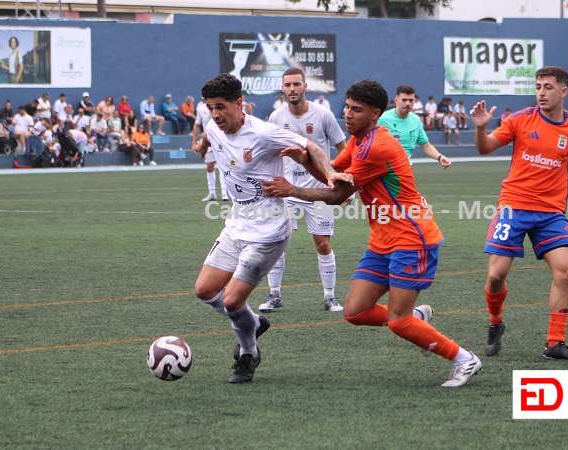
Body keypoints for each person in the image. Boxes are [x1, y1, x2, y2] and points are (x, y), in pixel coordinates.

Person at [261, 79, 482, 388]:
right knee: (355, 311)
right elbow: (333, 176)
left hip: (411, 237)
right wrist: (306, 159)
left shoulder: (376, 147)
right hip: (383, 239)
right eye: (347, 107)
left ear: (376, 114)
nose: (347, 114)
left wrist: (291, 189)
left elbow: (338, 196)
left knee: (398, 321)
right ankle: (418, 320)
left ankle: (464, 359)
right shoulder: (359, 140)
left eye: (356, 110)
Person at [191, 73, 346, 384]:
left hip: (269, 231)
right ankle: (254, 323)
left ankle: (248, 353)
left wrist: (331, 174)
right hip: (236, 225)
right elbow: (208, 136)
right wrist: (200, 146)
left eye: (221, 106)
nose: (216, 114)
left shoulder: (263, 133)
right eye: (210, 107)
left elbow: (311, 147)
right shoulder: (212, 125)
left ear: (239, 104)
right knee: (205, 290)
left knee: (233, 301)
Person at [470, 66, 568, 360]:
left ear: (564, 90)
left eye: (547, 87)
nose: (541, 92)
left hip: (551, 213)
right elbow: (485, 148)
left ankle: (555, 342)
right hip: (513, 207)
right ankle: (496, 322)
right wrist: (481, 127)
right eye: (537, 87)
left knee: (566, 271)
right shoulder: (520, 120)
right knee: (496, 276)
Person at [261, 67, 347, 313]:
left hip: (319, 192)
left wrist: (342, 185)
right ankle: (274, 295)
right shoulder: (276, 117)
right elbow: (268, 152)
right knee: (275, 242)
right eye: (287, 85)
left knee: (322, 243)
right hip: (286, 190)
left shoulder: (323, 115)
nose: (292, 89)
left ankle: (329, 296)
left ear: (305, 86)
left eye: (296, 84)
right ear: (282, 88)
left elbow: (344, 149)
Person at [378, 84, 450, 167]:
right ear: (396, 100)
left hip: (405, 170)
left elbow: (425, 145)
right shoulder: (382, 119)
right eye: (404, 100)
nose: (408, 103)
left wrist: (439, 157)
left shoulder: (416, 120)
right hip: (383, 170)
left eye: (411, 100)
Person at [192, 97, 229, 202]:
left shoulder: (219, 106)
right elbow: (197, 124)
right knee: (209, 166)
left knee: (222, 166)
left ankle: (225, 193)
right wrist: (194, 142)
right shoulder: (200, 108)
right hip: (207, 139)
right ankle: (212, 193)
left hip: (220, 138)